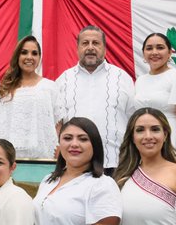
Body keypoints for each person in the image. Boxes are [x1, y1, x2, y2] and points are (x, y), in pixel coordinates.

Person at [55, 26, 135, 172]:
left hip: (116, 163)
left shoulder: (122, 78)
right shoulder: (63, 80)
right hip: (74, 165)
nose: (90, 48)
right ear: (77, 48)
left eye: (96, 43)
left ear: (104, 48)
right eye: (85, 43)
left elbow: (133, 120)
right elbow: (57, 123)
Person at [133, 33, 176, 165]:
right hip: (145, 140)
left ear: (170, 52)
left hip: (170, 136)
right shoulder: (140, 80)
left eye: (160, 47)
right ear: (143, 53)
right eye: (149, 48)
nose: (154, 52)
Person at [0, 35, 59, 159]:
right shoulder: (5, 88)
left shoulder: (50, 87)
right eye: (24, 52)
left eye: (34, 53)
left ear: (39, 58)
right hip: (9, 157)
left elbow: (58, 123)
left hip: (42, 157)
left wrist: (56, 151)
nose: (29, 57)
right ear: (17, 56)